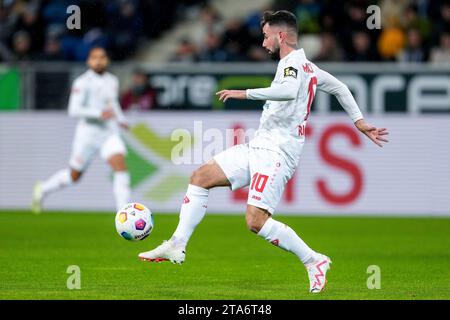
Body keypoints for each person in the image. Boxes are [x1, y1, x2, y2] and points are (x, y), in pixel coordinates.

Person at [138, 10, 389, 293]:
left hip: (278, 154)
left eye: (266, 35)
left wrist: (243, 93)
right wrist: (359, 122)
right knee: (200, 177)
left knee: (255, 221)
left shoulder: (292, 66)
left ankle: (313, 260)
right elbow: (341, 88)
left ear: (280, 36)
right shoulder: (308, 67)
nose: (263, 42)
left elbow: (288, 91)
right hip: (258, 146)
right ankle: (177, 244)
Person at [32, 47, 131, 213]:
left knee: (120, 165)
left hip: (108, 133)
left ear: (107, 60)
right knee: (74, 176)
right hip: (88, 135)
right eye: (94, 58)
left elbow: (112, 103)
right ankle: (43, 188)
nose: (98, 61)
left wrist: (121, 119)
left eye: (102, 57)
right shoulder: (82, 82)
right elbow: (74, 110)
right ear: (88, 61)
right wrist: (99, 114)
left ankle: (124, 212)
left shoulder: (112, 80)